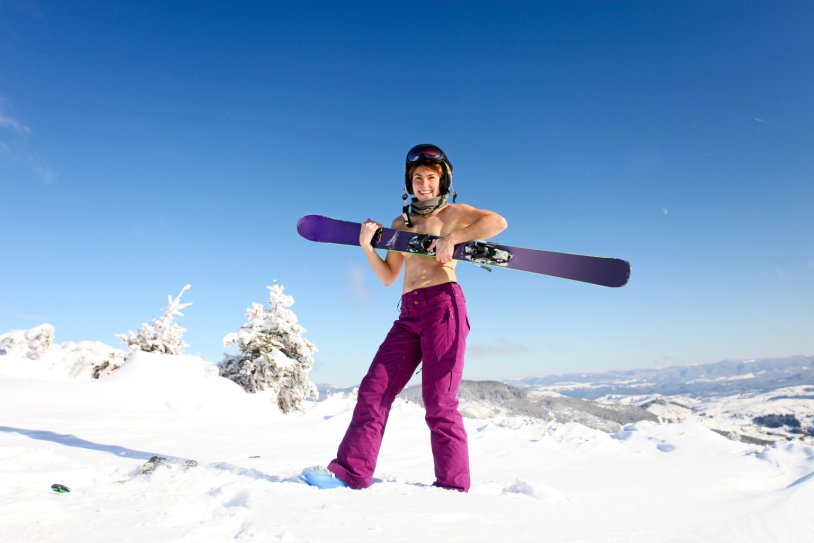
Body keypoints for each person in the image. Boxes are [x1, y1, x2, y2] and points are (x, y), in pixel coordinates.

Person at [301, 143, 507, 492]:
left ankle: (453, 486)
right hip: (408, 313)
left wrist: (454, 237)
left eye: (430, 177)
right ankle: (350, 472)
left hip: (444, 306)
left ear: (443, 181)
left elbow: (497, 222)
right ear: (408, 183)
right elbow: (387, 277)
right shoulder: (401, 223)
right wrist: (368, 247)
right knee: (373, 390)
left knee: (439, 402)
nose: (423, 184)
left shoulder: (455, 214)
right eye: (417, 178)